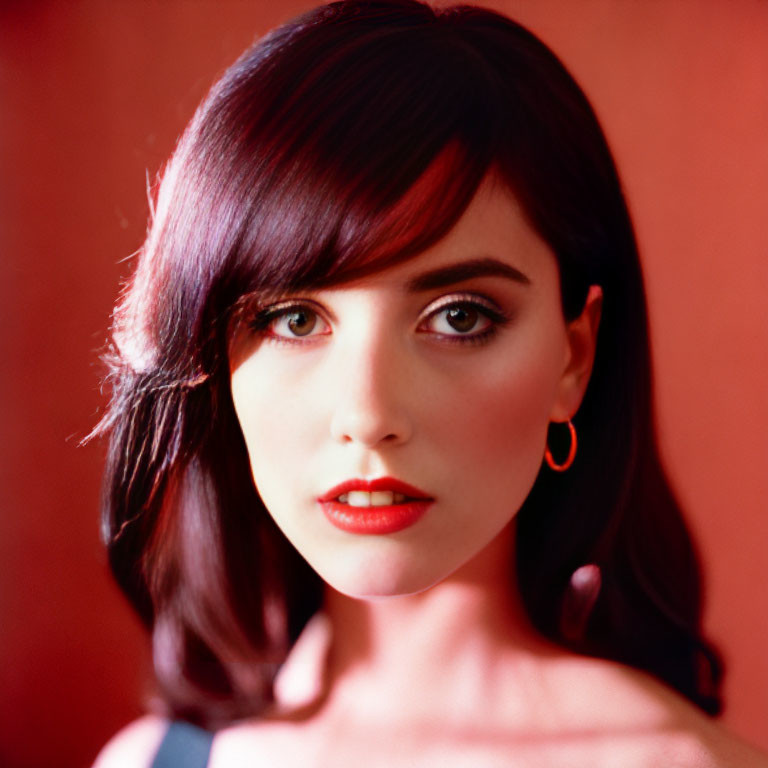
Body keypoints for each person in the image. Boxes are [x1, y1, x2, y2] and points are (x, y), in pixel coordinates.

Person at [93, 1, 768, 765]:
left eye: (459, 318)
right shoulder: (153, 759)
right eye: (293, 319)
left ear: (574, 358)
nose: (368, 414)